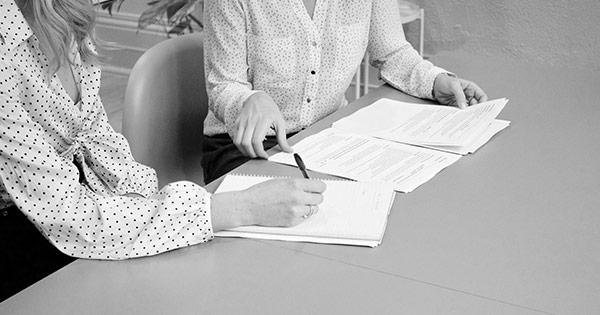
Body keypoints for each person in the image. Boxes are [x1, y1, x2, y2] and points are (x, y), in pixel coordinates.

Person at [0, 0, 325, 301]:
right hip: (26, 234)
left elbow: (100, 144)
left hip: (81, 209)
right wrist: (239, 209)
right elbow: (71, 217)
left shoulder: (64, 17)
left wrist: (158, 210)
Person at [202, 0, 489, 183]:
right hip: (247, 147)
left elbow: (391, 51)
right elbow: (223, 85)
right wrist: (250, 99)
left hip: (327, 138)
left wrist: (435, 80)